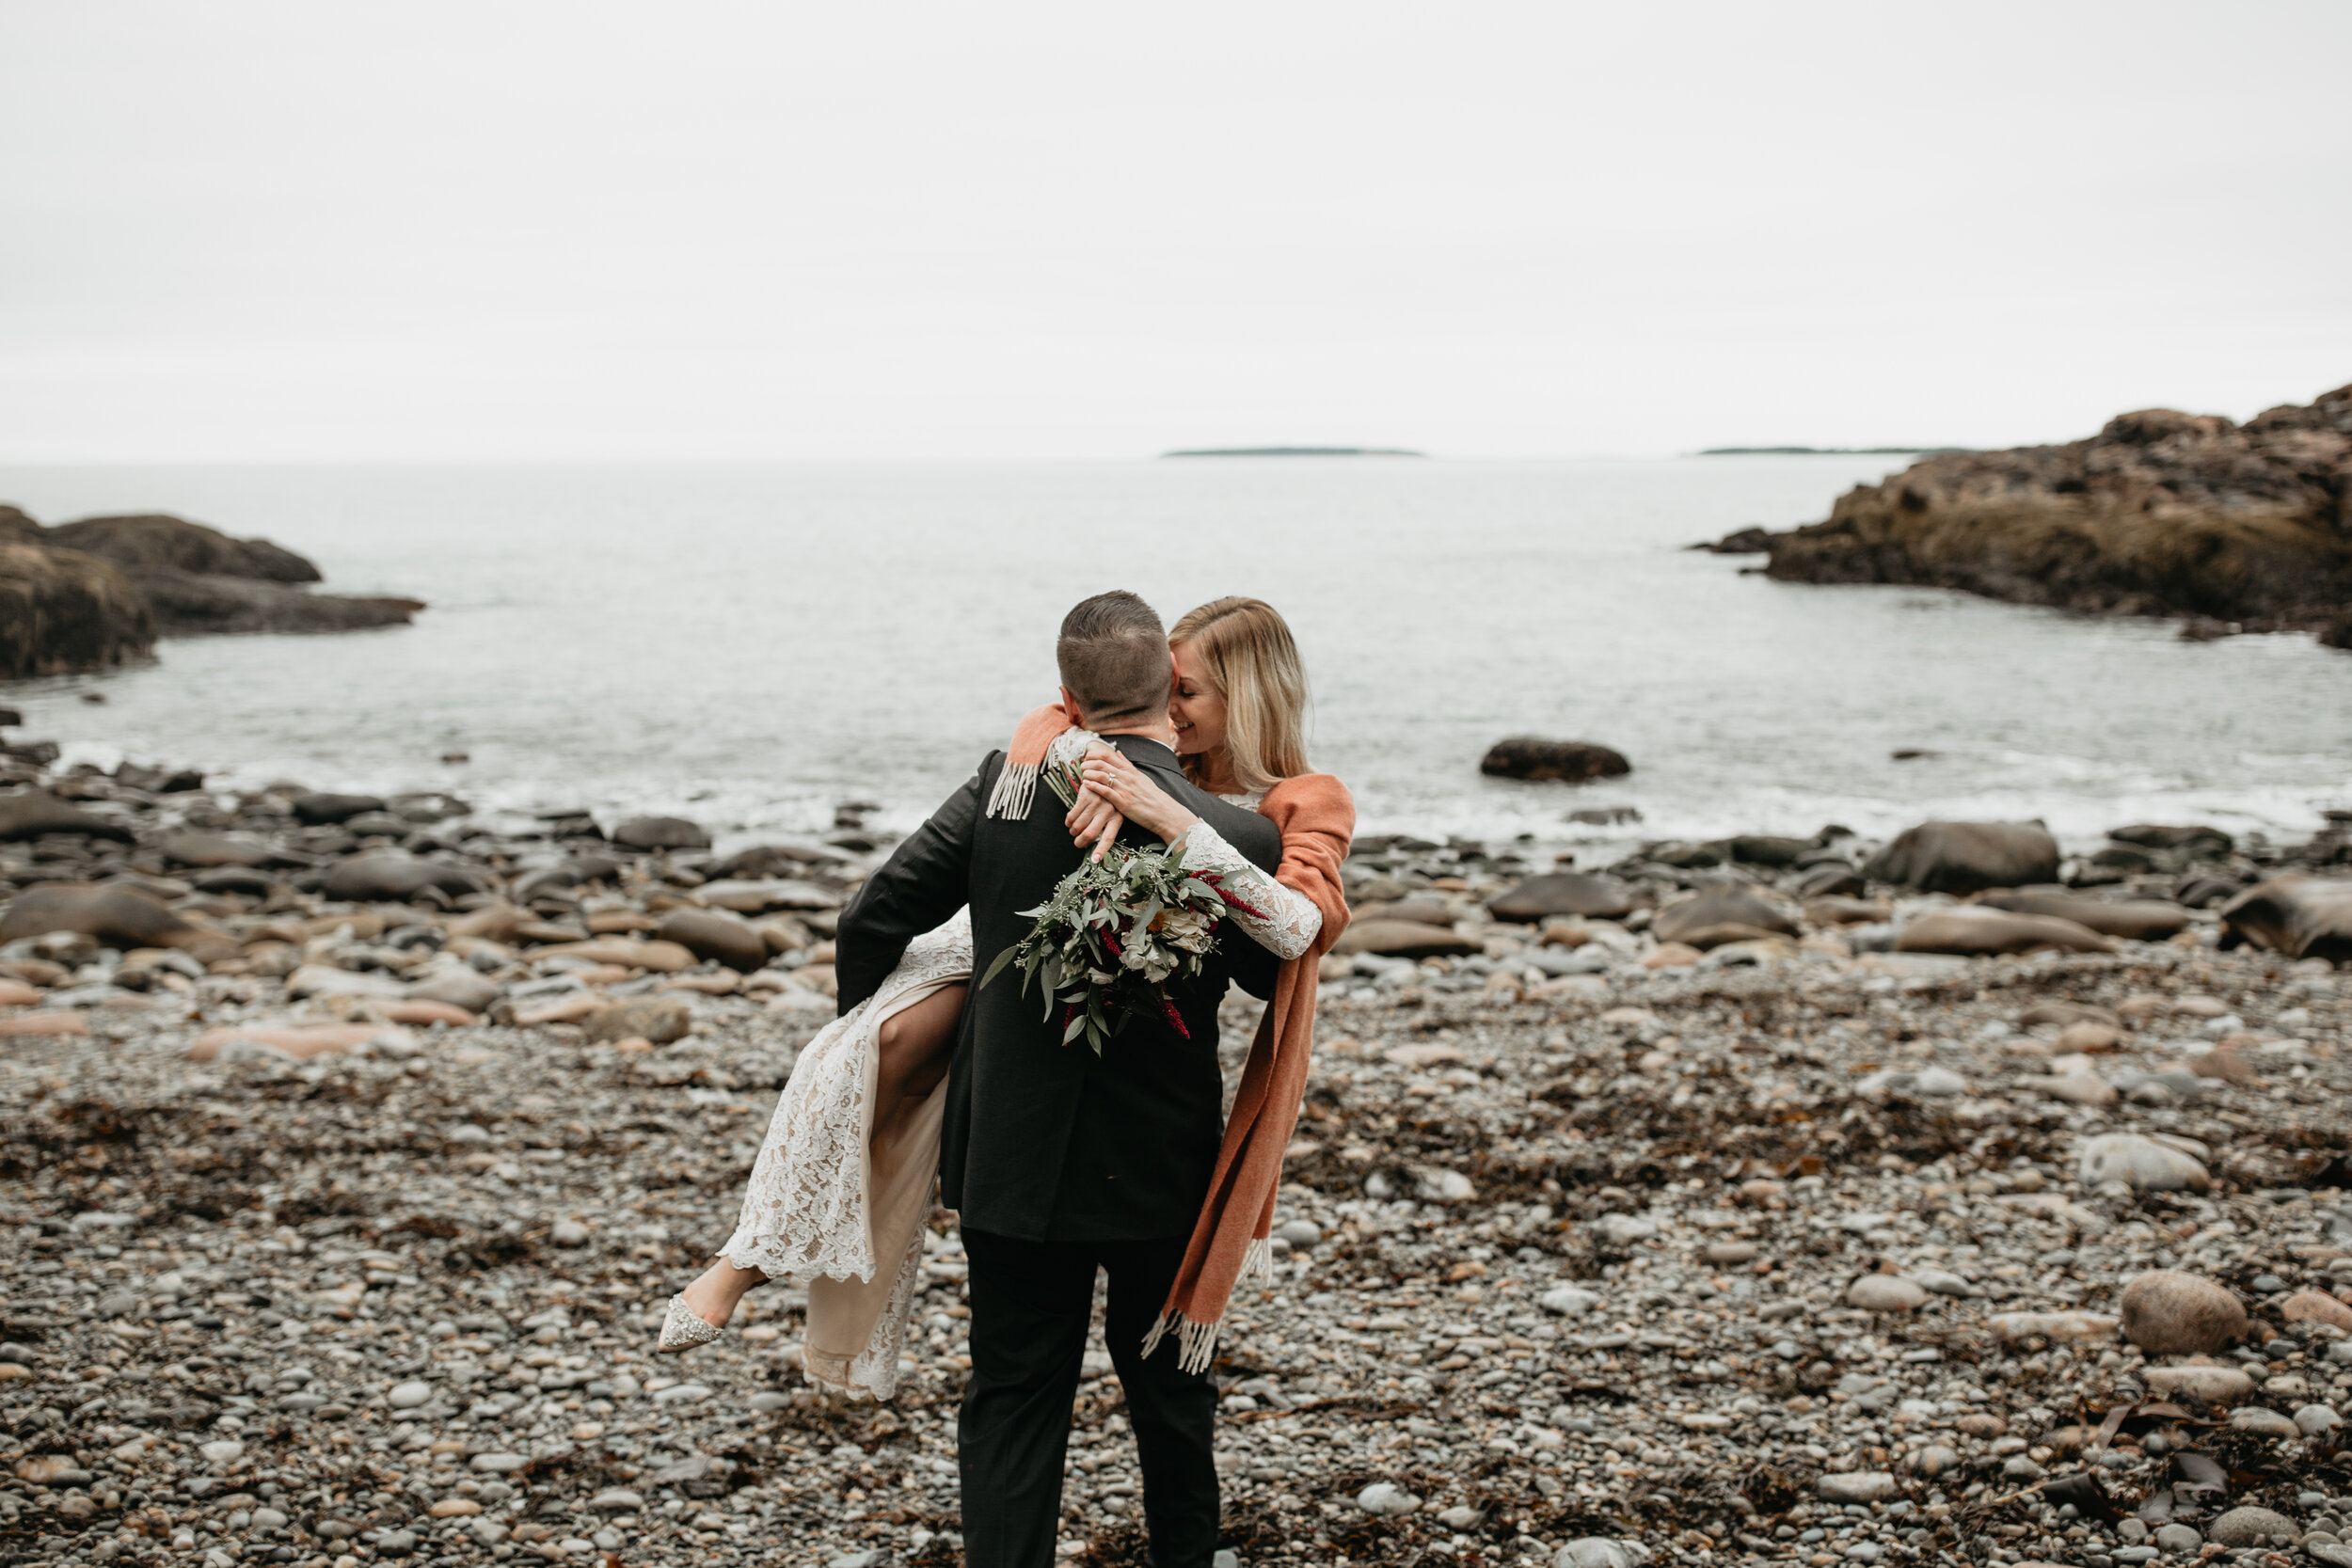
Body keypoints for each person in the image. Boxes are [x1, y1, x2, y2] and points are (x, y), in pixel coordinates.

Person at [661, 592, 1353, 1568]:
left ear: (1071, 694)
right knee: (1170, 1399)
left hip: (1008, 1152)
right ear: (1163, 689)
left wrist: (869, 1041)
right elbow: (1258, 970)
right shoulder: (1249, 836)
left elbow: (873, 912)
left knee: (1014, 1397)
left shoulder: (1011, 781)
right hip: (1158, 1157)